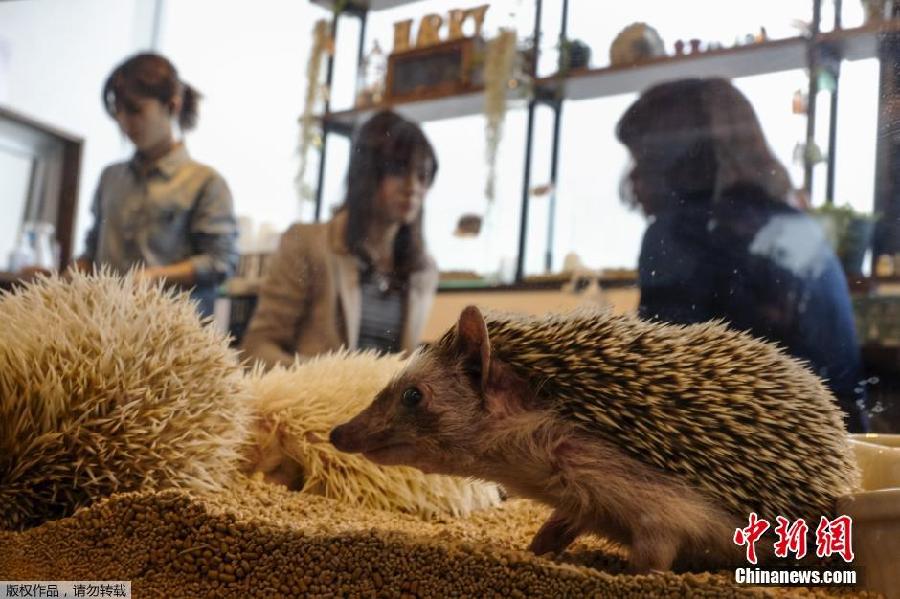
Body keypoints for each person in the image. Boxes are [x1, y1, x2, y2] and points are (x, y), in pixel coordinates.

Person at [616, 78, 870, 432]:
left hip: (754, 442)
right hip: (842, 439)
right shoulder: (798, 227)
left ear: (674, 161)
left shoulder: (678, 233)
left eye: (642, 159)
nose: (633, 178)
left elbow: (660, 384)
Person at [241, 110, 439, 368]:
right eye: (399, 171)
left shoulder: (423, 270)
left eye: (423, 175)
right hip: (315, 393)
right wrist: (327, 382)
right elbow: (257, 349)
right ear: (367, 173)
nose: (413, 187)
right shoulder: (307, 244)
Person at [76, 52, 237, 317]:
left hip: (168, 330)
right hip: (102, 324)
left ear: (172, 107)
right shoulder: (110, 177)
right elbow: (92, 249)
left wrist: (157, 276)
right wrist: (70, 277)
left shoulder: (206, 182)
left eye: (135, 110)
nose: (125, 121)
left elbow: (221, 261)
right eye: (118, 111)